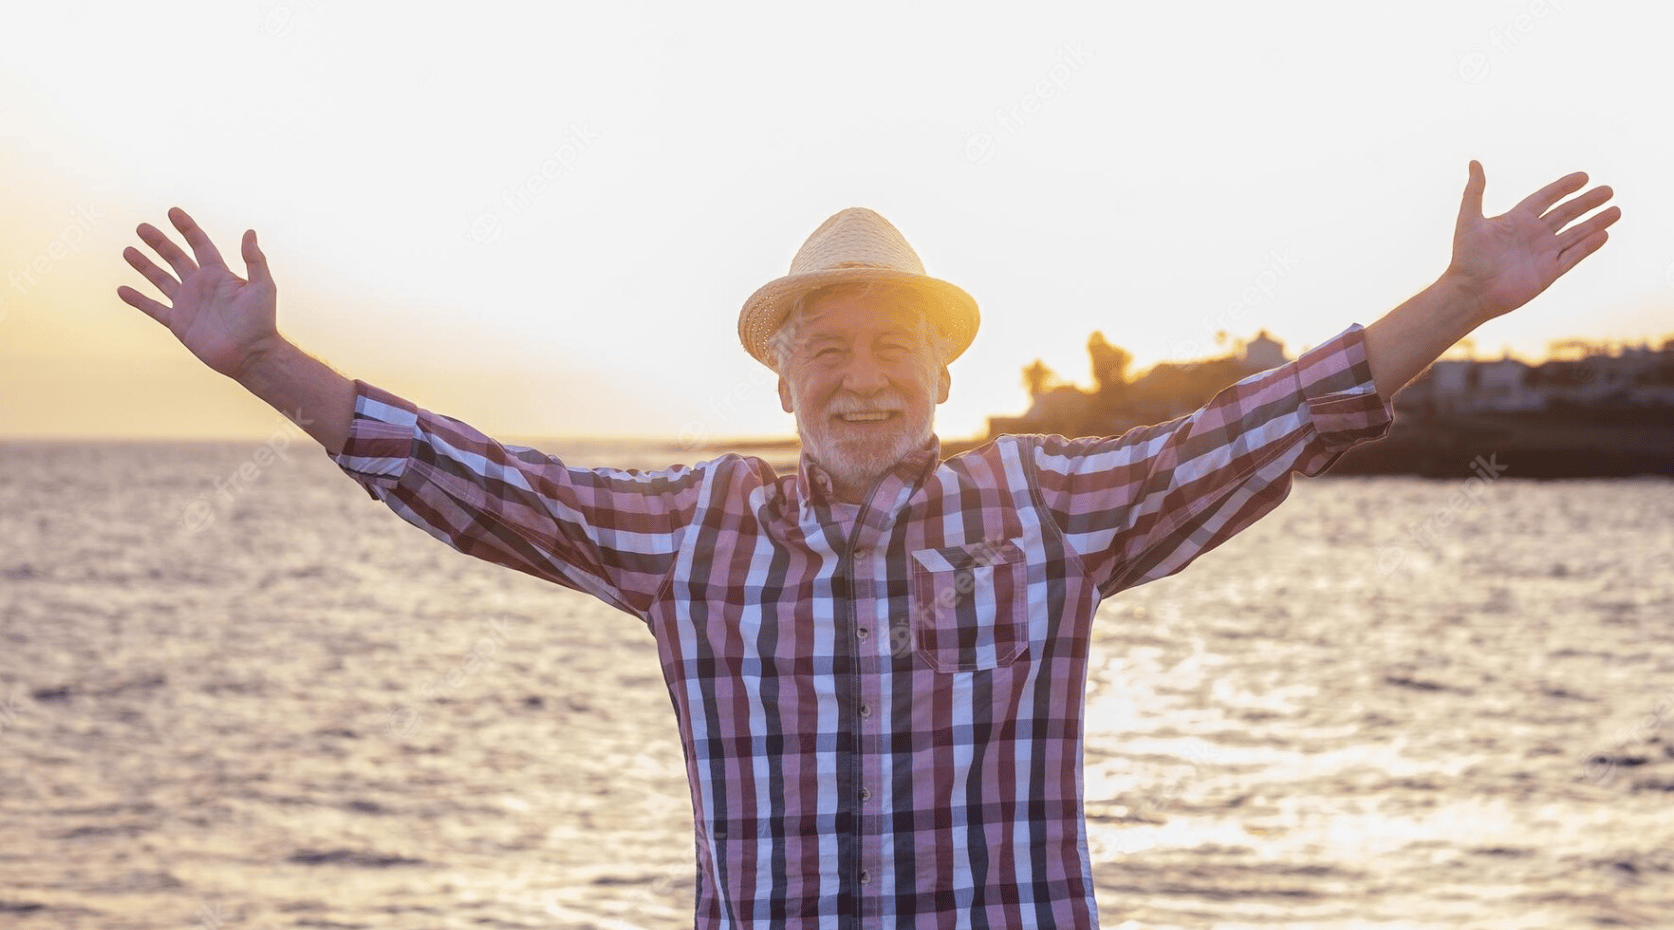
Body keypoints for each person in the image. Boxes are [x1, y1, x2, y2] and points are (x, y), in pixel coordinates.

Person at [118, 162, 1618, 929]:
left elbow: (1267, 420)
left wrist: (1460, 300)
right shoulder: (689, 532)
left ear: (945, 367)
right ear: (777, 376)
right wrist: (266, 363)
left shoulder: (1045, 509)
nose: (860, 372)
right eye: (823, 344)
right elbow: (470, 477)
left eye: (891, 339)